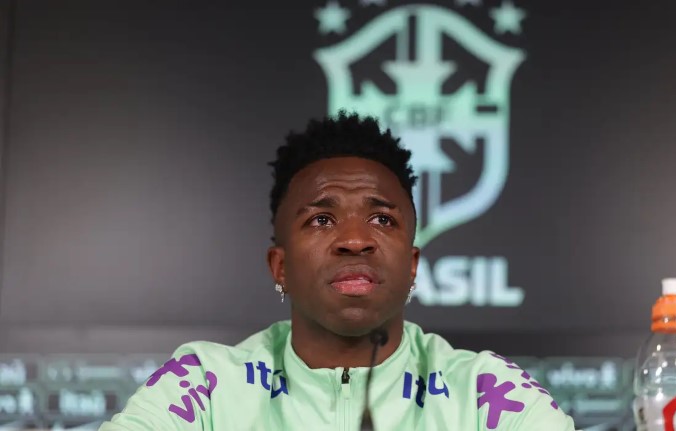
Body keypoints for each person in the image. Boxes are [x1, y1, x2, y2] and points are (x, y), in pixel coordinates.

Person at [99, 112, 578, 430]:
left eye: (382, 219)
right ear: (280, 266)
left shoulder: (485, 390)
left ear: (412, 266)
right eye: (322, 219)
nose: (355, 240)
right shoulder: (204, 383)